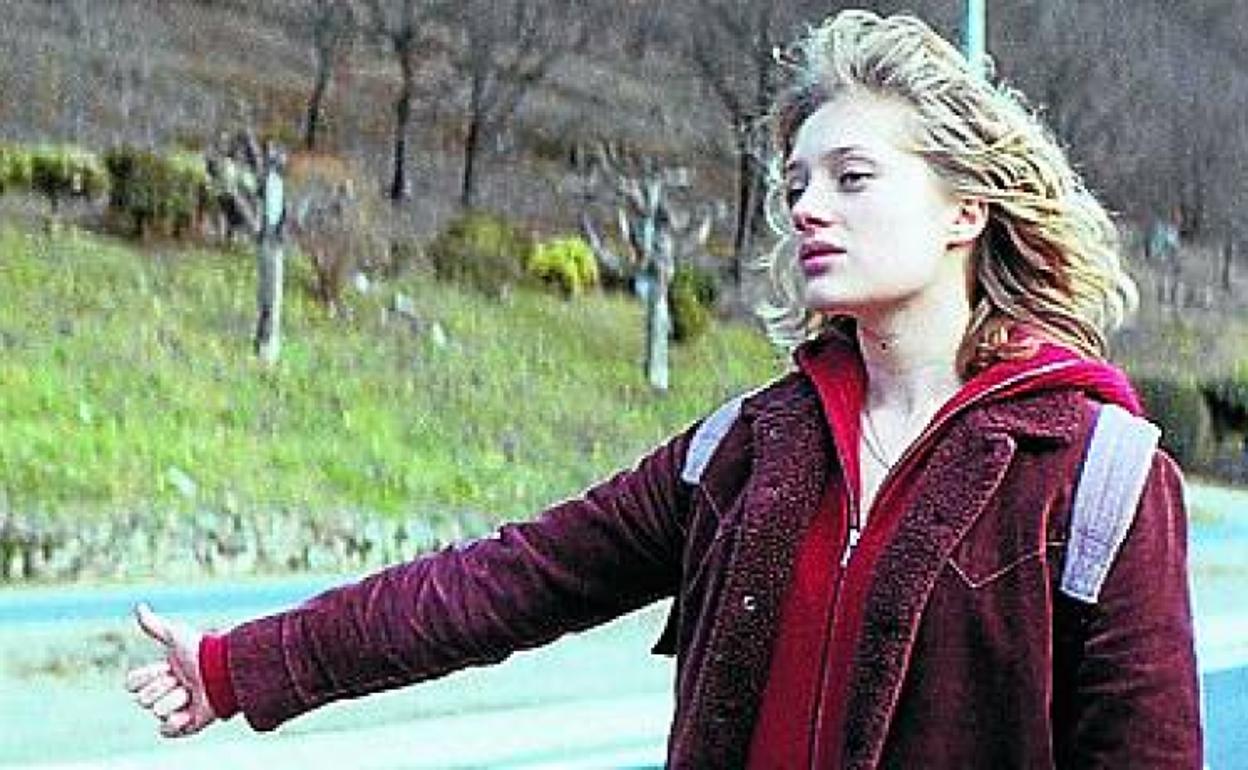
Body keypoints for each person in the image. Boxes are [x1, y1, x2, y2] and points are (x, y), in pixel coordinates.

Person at [126, 10, 1202, 768]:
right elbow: (507, 581)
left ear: (965, 210)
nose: (807, 208)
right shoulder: (744, 449)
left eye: (852, 177)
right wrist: (241, 665)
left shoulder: (1096, 476)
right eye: (796, 184)